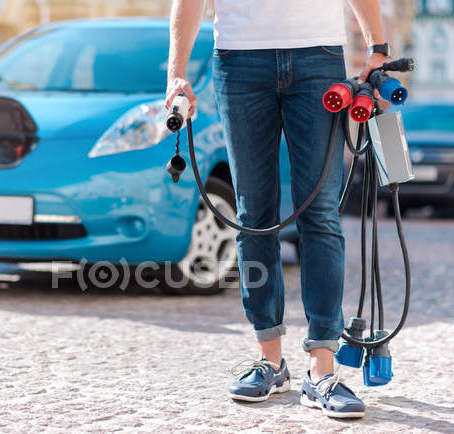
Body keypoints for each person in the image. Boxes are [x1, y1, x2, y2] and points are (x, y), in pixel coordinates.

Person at [166, 1, 390, 419]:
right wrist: (176, 71)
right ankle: (269, 361)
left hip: (317, 57)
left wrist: (377, 45)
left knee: (320, 213)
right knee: (254, 217)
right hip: (239, 60)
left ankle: (322, 369)